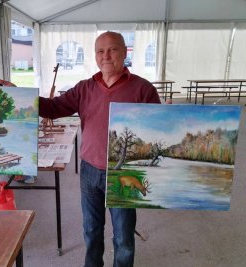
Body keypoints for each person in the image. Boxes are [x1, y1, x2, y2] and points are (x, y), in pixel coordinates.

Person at [39, 32, 161, 267]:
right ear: (95, 56)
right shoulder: (85, 88)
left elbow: (157, 129)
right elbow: (53, 108)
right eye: (100, 51)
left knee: (124, 235)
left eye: (112, 49)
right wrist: (23, 97)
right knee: (91, 230)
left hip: (123, 174)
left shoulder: (143, 89)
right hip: (89, 171)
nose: (106, 56)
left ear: (125, 53)